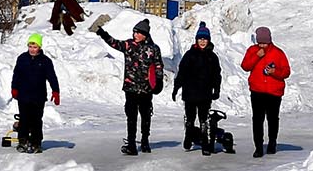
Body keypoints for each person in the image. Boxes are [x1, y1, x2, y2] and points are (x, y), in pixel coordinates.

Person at [92, 14, 164, 155]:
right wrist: (103, 34)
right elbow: (114, 43)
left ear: (145, 34)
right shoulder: (129, 45)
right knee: (131, 116)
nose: (135, 34)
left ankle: (145, 141)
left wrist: (159, 81)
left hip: (146, 89)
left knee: (146, 115)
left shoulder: (153, 49)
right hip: (130, 87)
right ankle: (131, 144)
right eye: (134, 32)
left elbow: (158, 65)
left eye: (139, 32)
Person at [241, 26, 292, 157]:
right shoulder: (253, 51)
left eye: (265, 43)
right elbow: (245, 66)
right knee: (257, 119)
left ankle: (272, 143)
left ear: (270, 41)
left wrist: (275, 72)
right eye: (260, 43)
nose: (262, 45)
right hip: (257, 91)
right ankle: (258, 146)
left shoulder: (278, 53)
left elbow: (286, 72)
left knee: (272, 119)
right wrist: (256, 57)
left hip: (274, 92)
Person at [172, 23, 223, 154]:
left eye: (205, 39)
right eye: (200, 39)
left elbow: (216, 75)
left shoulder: (212, 57)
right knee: (189, 119)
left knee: (203, 120)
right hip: (189, 93)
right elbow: (181, 72)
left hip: (205, 94)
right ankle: (188, 136)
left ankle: (205, 143)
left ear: (208, 40)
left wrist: (216, 90)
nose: (202, 41)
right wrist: (176, 87)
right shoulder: (189, 55)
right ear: (196, 40)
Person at [9, 32, 61, 153]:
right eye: (30, 46)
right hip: (23, 95)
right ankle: (23, 141)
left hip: (39, 96)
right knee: (24, 119)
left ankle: (36, 142)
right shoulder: (22, 59)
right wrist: (14, 88)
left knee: (37, 120)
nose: (32, 49)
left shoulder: (45, 61)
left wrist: (56, 91)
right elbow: (16, 75)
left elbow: (52, 77)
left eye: (35, 47)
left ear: (40, 47)